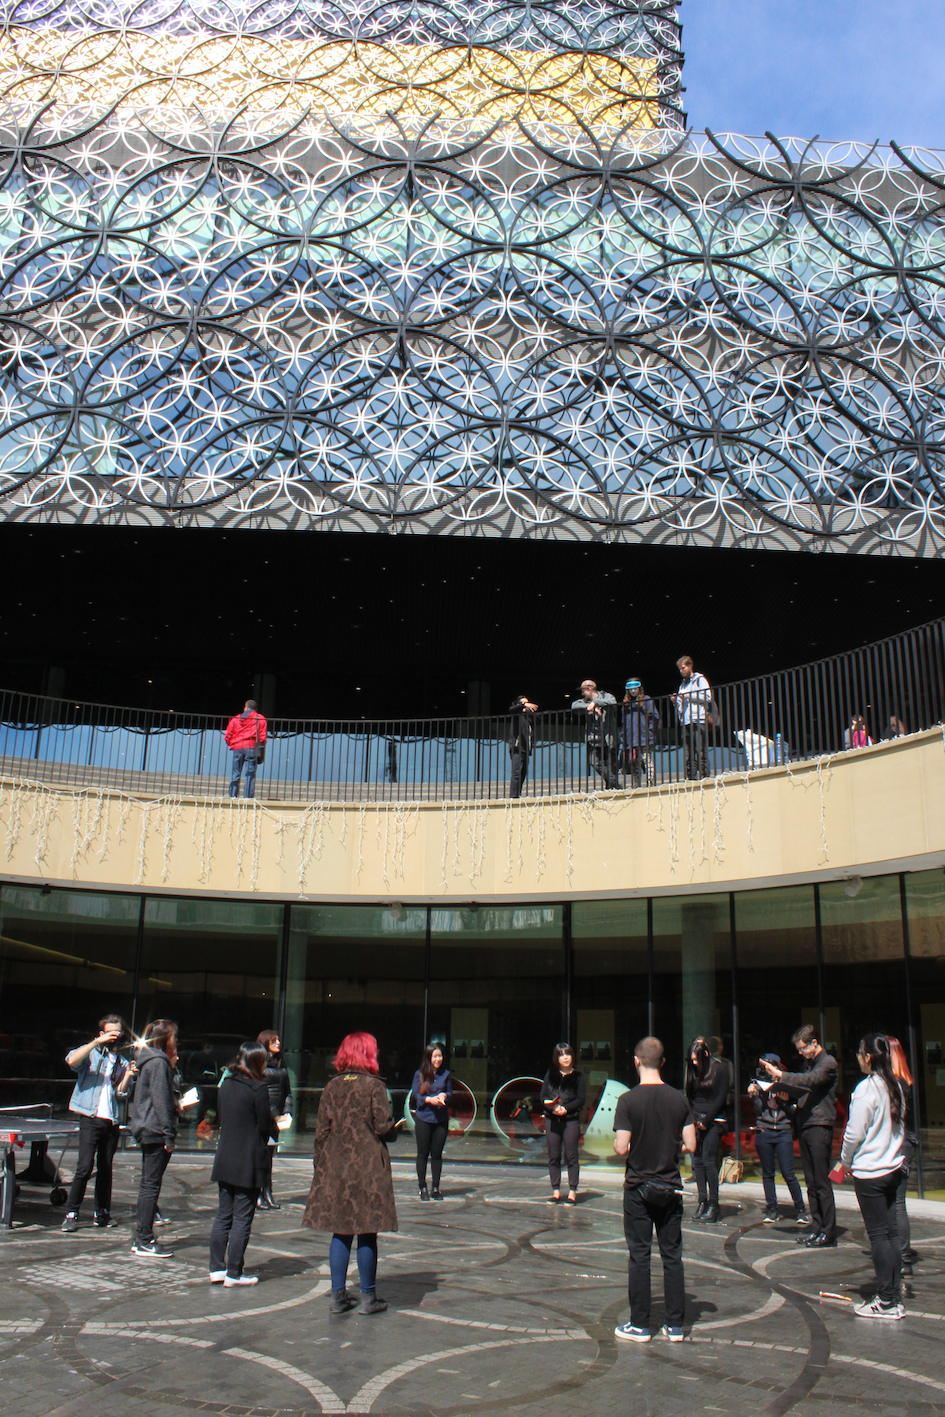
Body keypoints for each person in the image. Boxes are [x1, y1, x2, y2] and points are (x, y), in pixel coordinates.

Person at [303, 1032, 399, 1316]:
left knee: (341, 1231)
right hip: (368, 1167)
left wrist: (320, 1163)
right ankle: (368, 1298)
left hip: (336, 1164)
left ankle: (337, 1296)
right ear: (368, 1053)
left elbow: (322, 1130)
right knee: (367, 1231)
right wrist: (395, 1128)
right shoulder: (374, 1086)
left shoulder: (331, 1086)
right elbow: (383, 1127)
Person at [612, 1036, 696, 1342]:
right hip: (670, 1187)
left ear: (636, 1061)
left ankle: (640, 1325)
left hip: (638, 1188)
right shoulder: (679, 1099)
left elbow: (621, 1147)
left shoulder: (628, 1101)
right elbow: (691, 1144)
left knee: (640, 1255)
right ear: (663, 1062)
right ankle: (676, 1326)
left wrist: (626, 1143)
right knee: (672, 1256)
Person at [836, 1033, 906, 1320]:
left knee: (878, 1236)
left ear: (867, 1057)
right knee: (890, 1234)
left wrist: (844, 1161)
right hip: (892, 1168)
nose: (857, 1058)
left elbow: (854, 1132)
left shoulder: (865, 1090)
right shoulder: (895, 1086)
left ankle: (886, 1299)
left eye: (859, 1053)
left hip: (871, 1172)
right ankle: (893, 1293)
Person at [760, 1024, 838, 1247]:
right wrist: (784, 1096)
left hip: (820, 1126)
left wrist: (782, 1074)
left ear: (815, 1043)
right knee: (812, 1182)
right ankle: (817, 1227)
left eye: (803, 1048)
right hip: (806, 1124)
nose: (800, 1052)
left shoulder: (828, 1063)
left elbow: (811, 1081)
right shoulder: (809, 1064)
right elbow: (804, 1088)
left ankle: (828, 1232)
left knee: (822, 1181)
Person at [60, 1013, 132, 1233]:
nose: (114, 1036)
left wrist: (129, 1074)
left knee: (105, 1168)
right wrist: (95, 1042)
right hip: (90, 1117)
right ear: (102, 1033)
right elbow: (71, 1060)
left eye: (118, 1032)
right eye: (110, 1032)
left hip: (111, 1120)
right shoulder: (90, 1053)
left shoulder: (121, 1060)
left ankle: (101, 1212)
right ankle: (71, 1213)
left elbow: (122, 1092)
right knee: (84, 1167)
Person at [209, 1041, 272, 1287]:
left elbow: (223, 1116)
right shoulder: (258, 1088)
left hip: (225, 1157)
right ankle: (234, 1272)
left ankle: (216, 1268)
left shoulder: (227, 1084)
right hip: (248, 1159)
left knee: (223, 1215)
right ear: (257, 1062)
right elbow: (265, 1125)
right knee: (242, 1217)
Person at [129, 1019, 179, 1259]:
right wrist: (169, 1133)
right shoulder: (158, 1062)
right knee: (151, 1185)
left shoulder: (147, 1060)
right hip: (155, 1129)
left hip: (146, 1126)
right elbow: (160, 1100)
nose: (176, 1042)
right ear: (164, 1037)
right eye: (173, 1037)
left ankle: (142, 1236)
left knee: (148, 1184)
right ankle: (144, 1238)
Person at [748, 1055, 808, 1224]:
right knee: (767, 1173)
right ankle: (772, 1209)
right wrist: (755, 1096)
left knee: (788, 1172)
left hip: (783, 1132)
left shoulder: (787, 1085)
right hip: (764, 1131)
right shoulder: (761, 1085)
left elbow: (792, 1113)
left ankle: (801, 1209)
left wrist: (783, 1101)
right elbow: (759, 1112)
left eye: (772, 1067)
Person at [685, 1037, 728, 1223]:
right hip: (697, 1117)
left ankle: (714, 1204)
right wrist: (693, 1119)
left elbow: (721, 1098)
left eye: (697, 1059)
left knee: (709, 1160)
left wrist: (706, 1120)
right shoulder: (693, 1071)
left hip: (715, 1119)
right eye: (692, 1060)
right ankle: (702, 1201)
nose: (694, 1063)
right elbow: (690, 1096)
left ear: (706, 1055)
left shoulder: (720, 1069)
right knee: (699, 1162)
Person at [886, 1036, 919, 1276]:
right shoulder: (904, 1079)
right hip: (907, 1142)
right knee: (897, 1201)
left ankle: (903, 1256)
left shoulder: (896, 1082)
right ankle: (901, 1254)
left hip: (900, 1143)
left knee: (897, 1202)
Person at [540, 1042, 587, 1205]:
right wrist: (552, 1107)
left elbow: (581, 1099)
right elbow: (543, 1096)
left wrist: (566, 1108)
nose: (565, 1057)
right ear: (556, 1058)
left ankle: (572, 1191)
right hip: (552, 1120)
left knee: (571, 1156)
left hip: (570, 1120)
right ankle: (556, 1191)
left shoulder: (578, 1077)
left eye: (567, 1054)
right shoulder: (550, 1074)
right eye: (561, 1054)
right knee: (554, 1156)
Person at [256, 1029, 293, 1210]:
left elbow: (287, 1091)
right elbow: (261, 1093)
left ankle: (268, 1191)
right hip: (265, 1116)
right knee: (260, 1155)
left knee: (270, 1155)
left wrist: (287, 1111)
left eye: (278, 1039)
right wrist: (273, 1113)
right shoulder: (261, 1063)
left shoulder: (281, 1064)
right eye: (274, 1040)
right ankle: (258, 1193)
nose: (278, 1042)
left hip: (277, 1118)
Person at [411, 1043, 452, 1200]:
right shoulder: (419, 1074)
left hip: (440, 1118)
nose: (438, 1059)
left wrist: (444, 1096)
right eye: (435, 1056)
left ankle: (436, 1187)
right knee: (422, 1154)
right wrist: (428, 1099)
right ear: (429, 1057)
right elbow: (415, 1096)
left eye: (440, 1056)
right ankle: (422, 1187)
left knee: (437, 1154)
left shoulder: (446, 1074)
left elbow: (450, 1093)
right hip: (424, 1118)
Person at [571, 680, 618, 789]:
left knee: (611, 766)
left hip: (608, 739)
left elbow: (612, 702)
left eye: (583, 691)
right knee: (594, 762)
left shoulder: (606, 696)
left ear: (590, 688)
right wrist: (590, 706)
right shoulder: (584, 702)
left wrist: (595, 703)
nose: (582, 694)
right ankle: (614, 783)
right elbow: (574, 706)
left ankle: (611, 787)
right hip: (594, 740)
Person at [671, 657, 711, 780]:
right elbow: (680, 702)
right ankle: (691, 777)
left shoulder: (700, 680)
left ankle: (705, 776)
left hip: (698, 719)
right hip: (686, 721)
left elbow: (707, 697)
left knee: (701, 750)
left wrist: (690, 696)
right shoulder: (682, 684)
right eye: (680, 669)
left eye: (683, 668)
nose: (681, 671)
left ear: (690, 666)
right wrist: (675, 701)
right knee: (688, 752)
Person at [224, 698, 267, 799]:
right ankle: (248, 797)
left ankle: (233, 796)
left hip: (237, 747)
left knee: (235, 773)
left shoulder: (236, 719)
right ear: (255, 709)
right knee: (250, 774)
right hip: (251, 747)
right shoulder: (260, 718)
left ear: (245, 707)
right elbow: (262, 737)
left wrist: (232, 744)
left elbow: (227, 735)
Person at [622, 679, 660, 788]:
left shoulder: (646, 700)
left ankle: (650, 784)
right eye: (631, 689)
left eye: (635, 688)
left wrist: (650, 730)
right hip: (631, 739)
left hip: (644, 737)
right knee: (635, 763)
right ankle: (636, 786)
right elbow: (624, 722)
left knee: (646, 759)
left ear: (639, 689)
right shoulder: (626, 704)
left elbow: (655, 716)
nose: (633, 691)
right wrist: (623, 737)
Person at [508, 696, 538, 800]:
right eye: (523, 703)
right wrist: (524, 706)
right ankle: (513, 796)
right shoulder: (517, 714)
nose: (527, 705)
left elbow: (539, 719)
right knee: (516, 772)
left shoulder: (528, 717)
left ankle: (518, 794)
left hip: (526, 749)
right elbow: (511, 709)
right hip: (517, 747)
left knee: (523, 773)